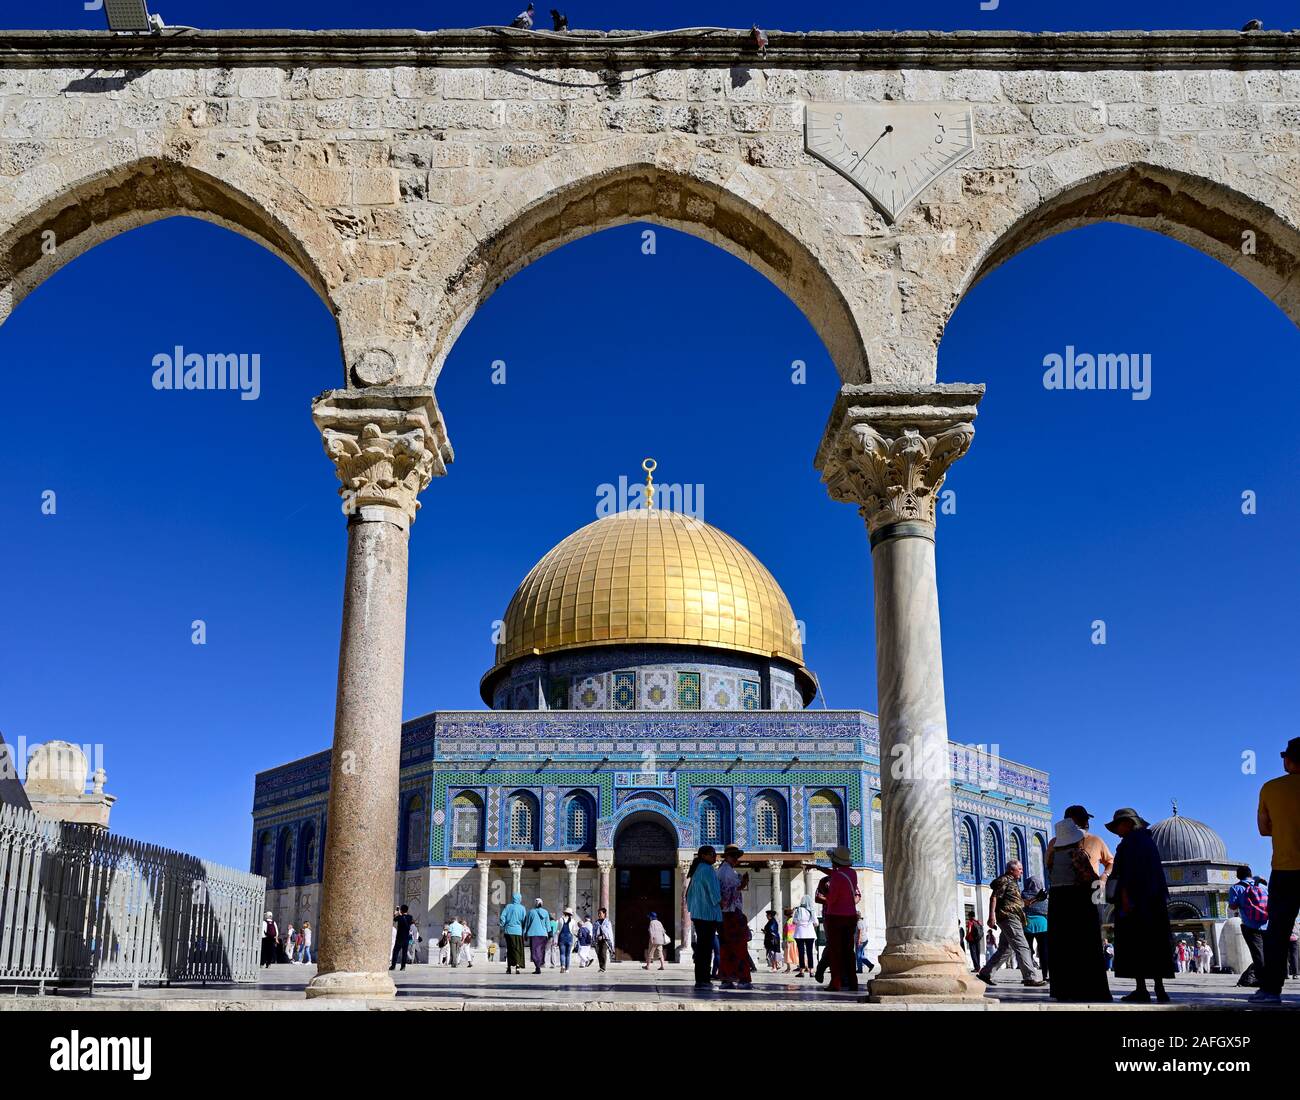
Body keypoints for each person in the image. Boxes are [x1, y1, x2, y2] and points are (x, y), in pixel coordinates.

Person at [1105, 807, 1173, 1003]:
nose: (1117, 831)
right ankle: (1160, 989)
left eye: (1118, 826)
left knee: (1136, 945)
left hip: (1135, 905)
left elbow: (1125, 875)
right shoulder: (1148, 842)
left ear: (1127, 823)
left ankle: (1141, 989)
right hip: (1155, 904)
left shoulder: (1129, 844)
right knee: (1155, 945)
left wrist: (1125, 898)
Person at [1045, 814, 1111, 1003]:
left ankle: (1064, 989)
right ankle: (1089, 989)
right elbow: (1089, 879)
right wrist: (1099, 886)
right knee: (1085, 945)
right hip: (1078, 901)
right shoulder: (1077, 854)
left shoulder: (1053, 855)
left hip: (1058, 903)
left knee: (1063, 947)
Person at [1255, 737, 1300, 1004]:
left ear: (1288, 760)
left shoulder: (1271, 788)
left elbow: (1263, 829)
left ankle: (1271, 990)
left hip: (1285, 869)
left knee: (1278, 932)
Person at [977, 860, 1047, 988]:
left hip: (1013, 917)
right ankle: (1029, 977)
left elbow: (1019, 904)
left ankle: (986, 973)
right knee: (1023, 946)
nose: (1021, 871)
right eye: (1019, 869)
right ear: (1011, 870)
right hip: (1008, 917)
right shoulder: (1005, 880)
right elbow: (994, 897)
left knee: (1006, 948)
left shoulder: (1013, 883)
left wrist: (1037, 898)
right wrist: (991, 916)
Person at [809, 846, 861, 992]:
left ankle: (835, 983)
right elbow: (837, 874)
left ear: (835, 861)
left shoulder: (836, 877)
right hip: (851, 916)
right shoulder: (852, 873)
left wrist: (823, 898)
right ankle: (853, 982)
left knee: (835, 951)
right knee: (848, 951)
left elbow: (832, 899)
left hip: (835, 917)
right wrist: (817, 867)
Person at [685, 845, 722, 990]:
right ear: (704, 855)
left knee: (701, 949)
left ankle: (700, 980)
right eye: (712, 854)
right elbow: (715, 894)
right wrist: (721, 901)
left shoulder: (697, 870)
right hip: (708, 915)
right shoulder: (707, 870)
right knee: (706, 950)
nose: (715, 857)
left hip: (698, 915)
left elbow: (688, 896)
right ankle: (704, 981)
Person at [716, 844, 752, 989]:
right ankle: (743, 978)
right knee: (739, 947)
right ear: (729, 857)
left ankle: (727, 978)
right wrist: (742, 883)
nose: (737, 859)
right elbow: (728, 894)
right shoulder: (727, 872)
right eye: (735, 857)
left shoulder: (724, 871)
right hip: (731, 914)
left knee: (726, 947)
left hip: (725, 914)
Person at [1228, 864, 1268, 986]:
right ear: (1250, 874)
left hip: (1250, 926)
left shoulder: (1236, 888)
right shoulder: (1263, 886)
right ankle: (1250, 978)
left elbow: (1233, 906)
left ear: (1238, 876)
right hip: (1267, 923)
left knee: (1258, 955)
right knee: (1266, 954)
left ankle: (1263, 982)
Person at [1023, 876, 1048, 979]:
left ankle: (1029, 976)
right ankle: (1045, 975)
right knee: (1044, 951)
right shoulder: (1044, 896)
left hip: (1027, 925)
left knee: (1027, 951)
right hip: (1042, 925)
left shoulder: (1023, 895)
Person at [498, 892, 527, 974]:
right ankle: (517, 966)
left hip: (508, 931)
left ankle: (509, 967)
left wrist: (503, 924)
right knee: (518, 949)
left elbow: (502, 916)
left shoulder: (508, 906)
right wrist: (524, 930)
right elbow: (524, 920)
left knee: (509, 949)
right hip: (518, 931)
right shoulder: (522, 908)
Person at [525, 897, 551, 974]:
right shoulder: (546, 912)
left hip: (533, 934)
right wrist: (549, 933)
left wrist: (525, 933)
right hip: (543, 934)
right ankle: (539, 964)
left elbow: (527, 924)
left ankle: (537, 966)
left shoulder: (531, 912)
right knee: (541, 950)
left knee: (534, 951)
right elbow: (548, 924)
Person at [792, 894, 816, 977]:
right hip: (810, 933)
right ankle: (811, 971)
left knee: (801, 952)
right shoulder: (812, 910)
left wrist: (801, 923)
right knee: (810, 952)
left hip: (800, 933)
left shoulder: (798, 910)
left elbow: (794, 921)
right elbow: (816, 923)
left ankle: (802, 971)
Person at [390, 905, 416, 972]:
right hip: (406, 938)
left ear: (401, 910)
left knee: (395, 952)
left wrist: (396, 913)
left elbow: (394, 919)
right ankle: (403, 967)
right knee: (404, 953)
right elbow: (410, 921)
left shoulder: (399, 917)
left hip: (399, 938)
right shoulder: (410, 917)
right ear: (407, 910)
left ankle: (393, 966)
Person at [558, 907, 575, 973]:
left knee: (562, 954)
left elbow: (558, 930)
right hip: (569, 938)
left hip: (562, 937)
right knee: (568, 955)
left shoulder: (560, 919)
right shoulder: (573, 921)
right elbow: (573, 931)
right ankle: (567, 969)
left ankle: (562, 966)